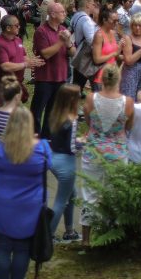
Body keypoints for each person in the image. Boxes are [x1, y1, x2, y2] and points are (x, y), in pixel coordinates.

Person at [0, 106, 51, 279]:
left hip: (1, 205)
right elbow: (49, 165)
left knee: (2, 249)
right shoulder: (42, 148)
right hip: (29, 208)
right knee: (22, 250)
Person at [80, 64, 133, 246]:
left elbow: (88, 122)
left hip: (94, 150)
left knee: (90, 193)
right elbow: (129, 126)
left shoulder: (91, 98)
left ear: (102, 79)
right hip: (117, 152)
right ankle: (113, 236)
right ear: (119, 79)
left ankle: (86, 239)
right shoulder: (127, 102)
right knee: (115, 193)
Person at [31, 1, 74, 135]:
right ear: (52, 14)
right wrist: (61, 42)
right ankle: (33, 136)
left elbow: (73, 53)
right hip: (45, 78)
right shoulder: (41, 31)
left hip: (61, 77)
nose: (65, 14)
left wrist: (67, 43)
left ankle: (46, 137)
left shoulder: (62, 30)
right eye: (62, 12)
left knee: (53, 110)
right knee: (37, 110)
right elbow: (46, 54)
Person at [46, 85, 82, 241]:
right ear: (73, 100)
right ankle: (48, 236)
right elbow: (72, 148)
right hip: (66, 162)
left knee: (72, 193)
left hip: (53, 158)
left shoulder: (55, 114)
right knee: (61, 201)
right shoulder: (72, 120)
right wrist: (83, 143)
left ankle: (69, 231)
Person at [0, 15, 43, 108]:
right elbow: (5, 66)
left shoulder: (18, 40)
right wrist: (26, 64)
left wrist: (32, 63)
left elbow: (23, 56)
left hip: (16, 84)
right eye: (17, 25)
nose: (19, 27)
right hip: (2, 86)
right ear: (8, 28)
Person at [91, 7, 120, 91]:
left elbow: (116, 54)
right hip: (101, 77)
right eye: (114, 21)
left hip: (112, 75)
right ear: (104, 20)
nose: (116, 23)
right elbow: (97, 59)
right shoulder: (99, 35)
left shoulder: (113, 33)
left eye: (117, 20)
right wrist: (114, 54)